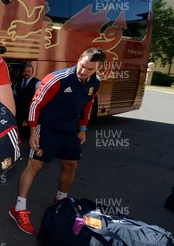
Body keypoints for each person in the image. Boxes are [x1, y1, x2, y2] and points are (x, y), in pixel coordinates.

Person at [9, 47, 106, 235]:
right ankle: (19, 208)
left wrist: (83, 129)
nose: (84, 71)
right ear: (79, 59)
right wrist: (33, 131)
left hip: (69, 130)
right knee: (34, 165)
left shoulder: (95, 82)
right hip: (46, 129)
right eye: (82, 66)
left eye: (90, 69)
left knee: (71, 165)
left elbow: (87, 105)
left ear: (98, 68)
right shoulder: (57, 79)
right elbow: (35, 104)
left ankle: (61, 200)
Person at [12, 63, 40, 138]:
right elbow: (14, 94)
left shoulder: (37, 83)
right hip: (18, 113)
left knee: (28, 134)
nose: (26, 73)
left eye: (28, 71)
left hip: (29, 112)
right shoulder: (18, 83)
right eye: (25, 71)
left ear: (32, 72)